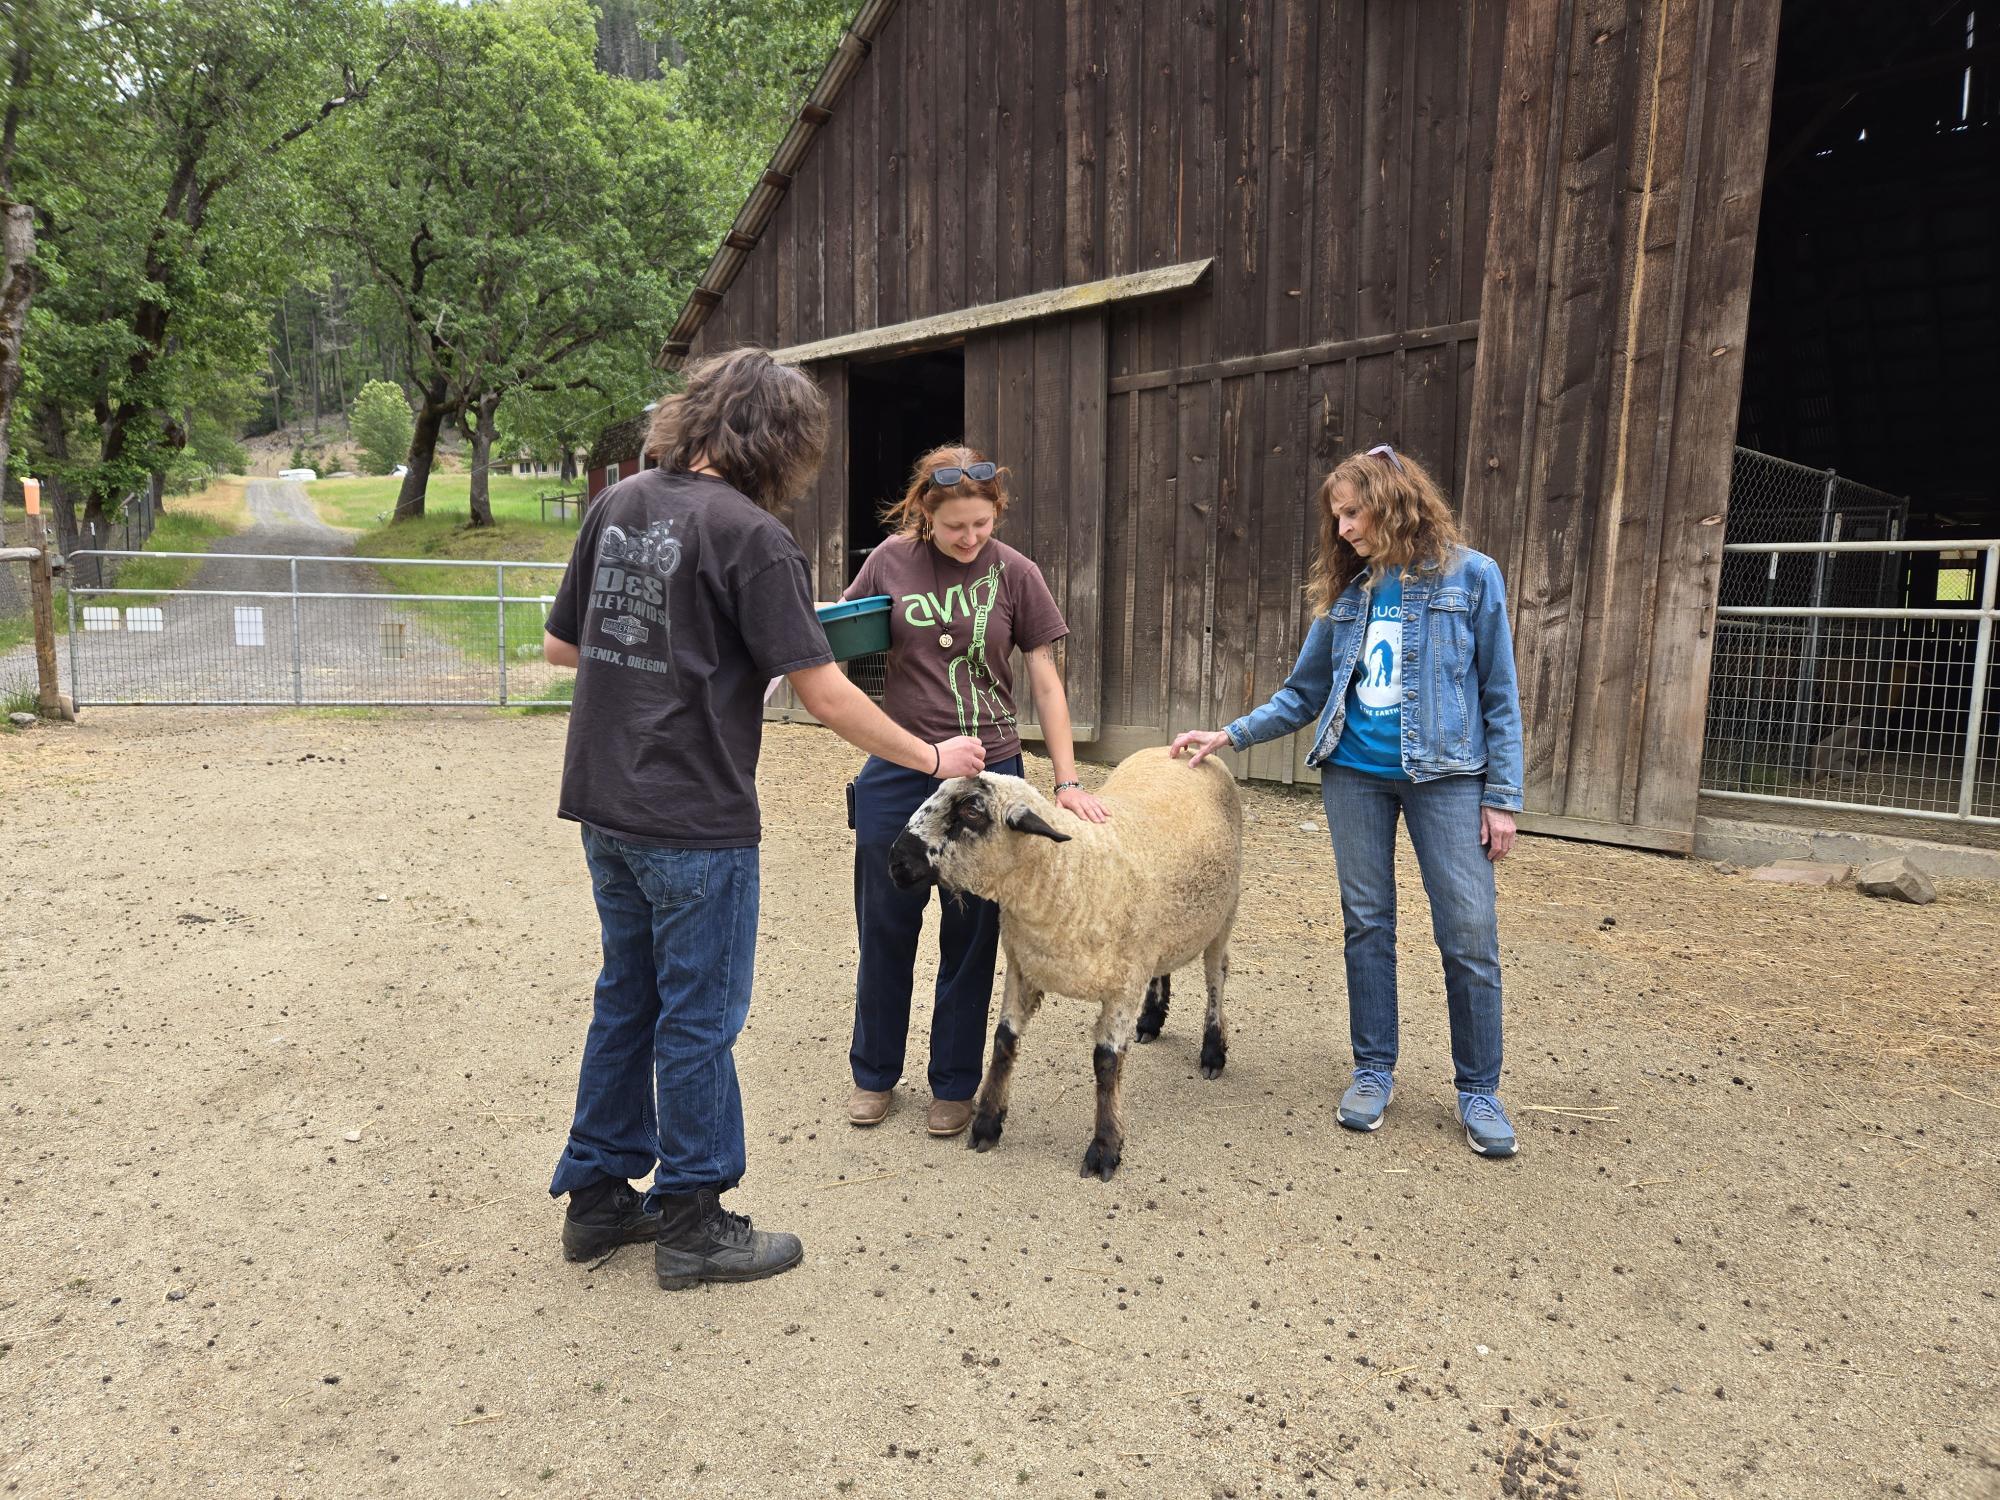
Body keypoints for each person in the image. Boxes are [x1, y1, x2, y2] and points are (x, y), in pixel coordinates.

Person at [541, 349, 985, 1290]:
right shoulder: (753, 535)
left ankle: (598, 1196)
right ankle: (693, 1218)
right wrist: (932, 756)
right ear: (782, 443)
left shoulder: (617, 505)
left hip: (605, 804)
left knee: (628, 997)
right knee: (699, 1017)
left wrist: (684, 649)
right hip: (693, 817)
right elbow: (826, 694)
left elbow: (561, 647)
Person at [1171, 444, 1526, 1158]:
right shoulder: (1351, 595)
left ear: (1393, 503)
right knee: (1367, 925)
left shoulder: (1472, 577)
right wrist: (1230, 734)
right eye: (1337, 517)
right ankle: (1373, 1070)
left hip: (1449, 779)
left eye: (1353, 513)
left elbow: (1500, 695)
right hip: (1354, 777)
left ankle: (1478, 1089)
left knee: (1468, 933)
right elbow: (1303, 694)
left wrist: (1502, 797)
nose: (1343, 529)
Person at [840, 445, 1108, 1138]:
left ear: (997, 513)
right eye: (955, 526)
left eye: (982, 524)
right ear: (924, 514)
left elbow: (1045, 680)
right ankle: (874, 1072)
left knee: (972, 936)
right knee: (885, 925)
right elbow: (840, 642)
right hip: (901, 764)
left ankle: (955, 1083)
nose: (969, 538)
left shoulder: (1016, 572)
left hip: (989, 773)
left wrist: (1067, 780)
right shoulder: (888, 561)